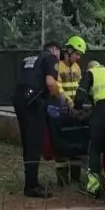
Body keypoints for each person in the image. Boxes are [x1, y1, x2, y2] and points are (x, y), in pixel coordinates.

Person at [14, 41, 63, 198]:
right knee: (35, 143)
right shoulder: (51, 58)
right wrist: (57, 98)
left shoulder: (29, 58)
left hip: (19, 99)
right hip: (34, 102)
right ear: (55, 50)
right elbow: (50, 83)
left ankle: (30, 181)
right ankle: (32, 186)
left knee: (28, 143)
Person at [74, 60, 105, 197]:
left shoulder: (90, 73)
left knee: (95, 147)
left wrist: (77, 110)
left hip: (103, 112)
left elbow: (80, 97)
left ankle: (93, 187)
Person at [55, 36, 87, 186]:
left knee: (77, 145)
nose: (78, 57)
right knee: (61, 146)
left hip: (75, 111)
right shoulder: (58, 66)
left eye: (80, 54)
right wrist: (69, 102)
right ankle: (62, 180)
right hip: (63, 111)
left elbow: (79, 87)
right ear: (69, 51)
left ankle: (75, 178)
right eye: (77, 53)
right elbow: (58, 88)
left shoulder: (77, 68)